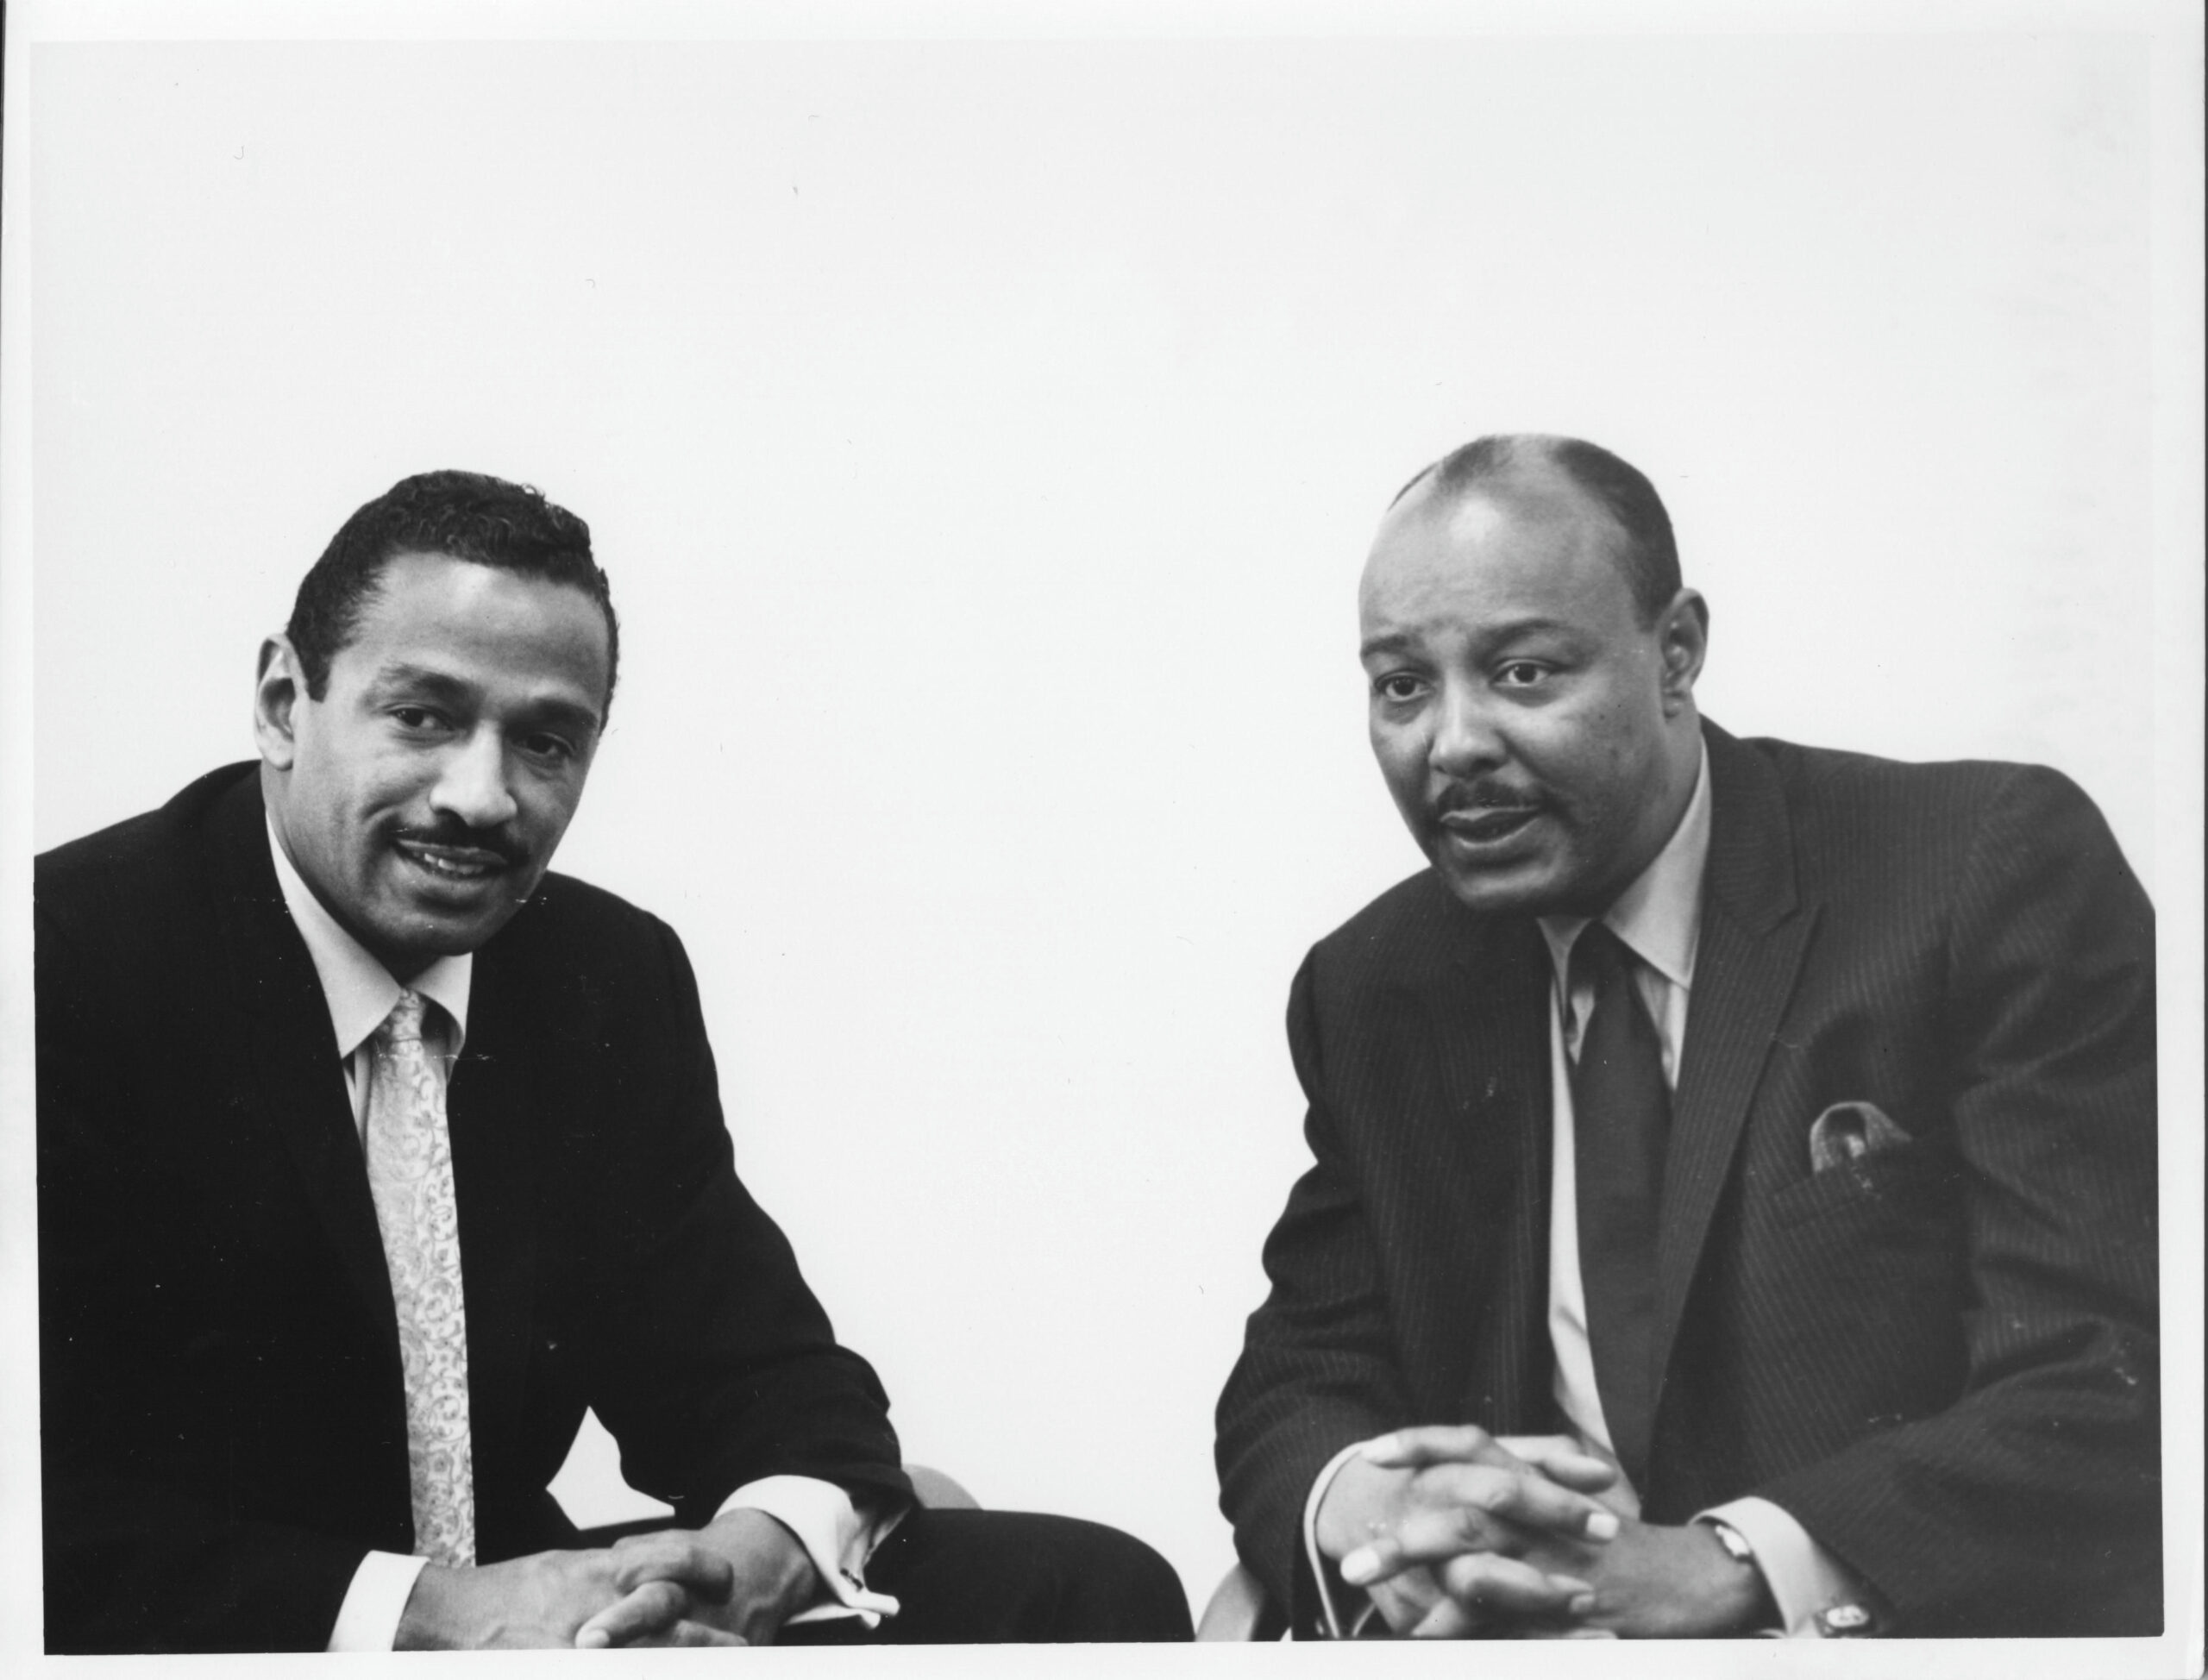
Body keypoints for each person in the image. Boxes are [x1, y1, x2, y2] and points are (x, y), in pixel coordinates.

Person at [37, 469, 1192, 1653]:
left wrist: (756, 1554)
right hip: (239, 1643)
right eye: (425, 716)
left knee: (1083, 1590)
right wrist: (440, 1617)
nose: (482, 797)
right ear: (286, 702)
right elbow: (41, 1523)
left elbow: (759, 1371)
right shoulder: (59, 968)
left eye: (545, 741)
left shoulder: (603, 973)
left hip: (555, 1625)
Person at [1214, 434, 2160, 1639]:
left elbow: (2107, 1377)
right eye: (1402, 684)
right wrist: (1375, 1512)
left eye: (1522, 672)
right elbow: (1297, 1376)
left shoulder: (1977, 873)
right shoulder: (1376, 987)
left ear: (1677, 653)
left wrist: (1726, 1565)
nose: (1451, 744)